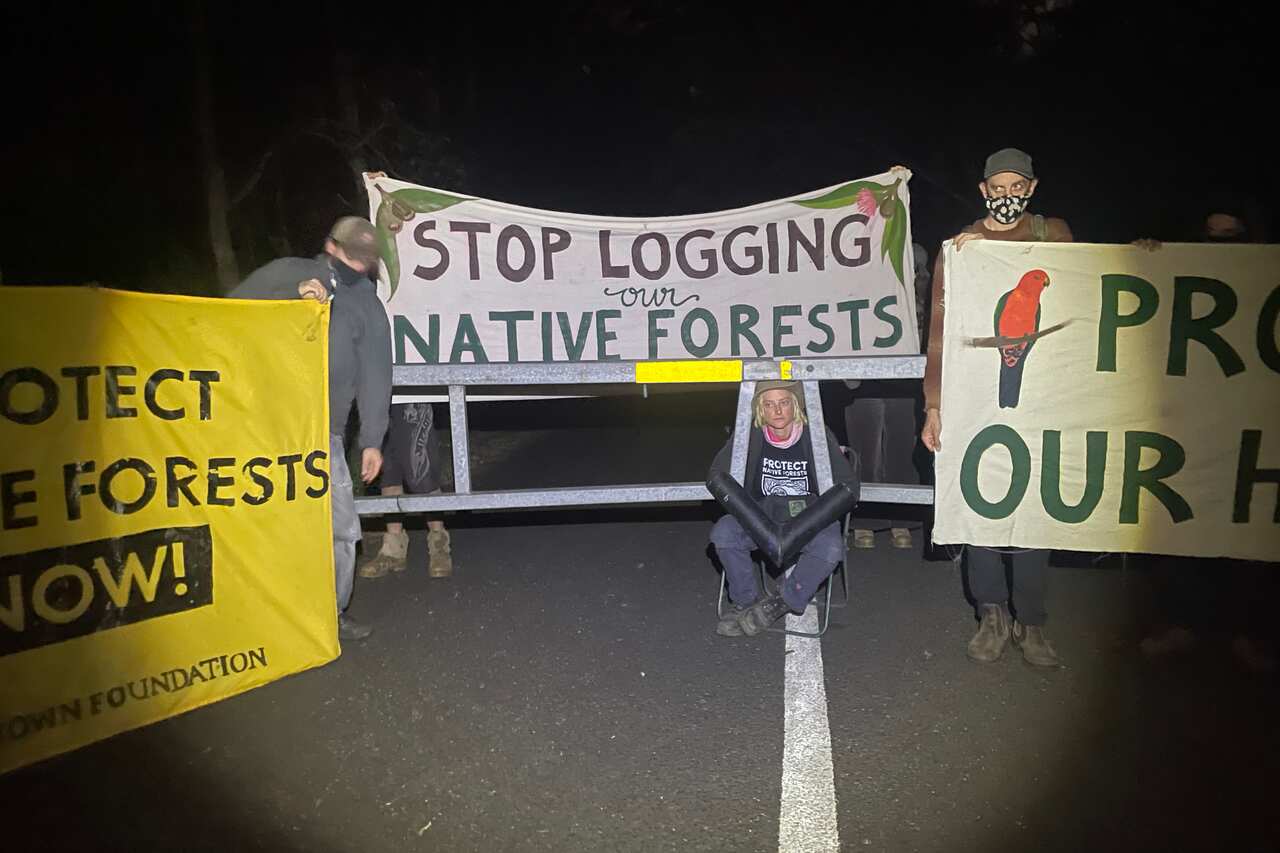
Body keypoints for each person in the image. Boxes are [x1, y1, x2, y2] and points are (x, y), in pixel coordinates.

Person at [921, 148, 1073, 668]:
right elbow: (939, 333)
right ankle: (992, 613)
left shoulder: (1052, 233)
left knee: (1034, 504)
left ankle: (1031, 620)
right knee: (979, 497)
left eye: (1018, 186)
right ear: (984, 190)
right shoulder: (959, 248)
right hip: (976, 397)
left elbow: (1091, 280)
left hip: (1043, 395)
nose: (1008, 195)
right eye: (998, 186)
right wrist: (934, 405)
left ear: (1031, 188)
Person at [231, 216, 392, 642]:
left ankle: (330, 614)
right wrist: (290, 297)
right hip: (264, 428)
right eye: (352, 256)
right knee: (267, 526)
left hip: (326, 435)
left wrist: (373, 440)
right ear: (330, 246)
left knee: (341, 529)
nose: (359, 266)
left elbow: (376, 374)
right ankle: (260, 618)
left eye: (366, 260)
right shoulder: (287, 272)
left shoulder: (368, 304)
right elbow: (225, 314)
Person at [708, 380, 859, 637]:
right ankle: (746, 600)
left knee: (831, 546)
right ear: (759, 408)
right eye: (769, 404)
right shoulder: (749, 435)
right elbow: (716, 474)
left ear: (796, 405)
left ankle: (782, 601)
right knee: (724, 532)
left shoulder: (817, 434)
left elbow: (849, 486)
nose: (777, 411)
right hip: (762, 516)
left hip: (809, 515)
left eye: (784, 403)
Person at [845, 242, 930, 550]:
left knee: (900, 451)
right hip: (864, 380)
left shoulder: (915, 259)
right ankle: (865, 520)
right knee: (864, 451)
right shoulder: (856, 261)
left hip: (904, 381)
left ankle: (901, 518)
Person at [359, 401, 453, 579]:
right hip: (378, 397)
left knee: (421, 472)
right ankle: (393, 549)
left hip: (410, 394)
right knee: (388, 472)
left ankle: (439, 544)